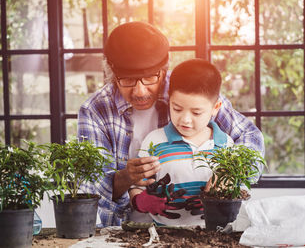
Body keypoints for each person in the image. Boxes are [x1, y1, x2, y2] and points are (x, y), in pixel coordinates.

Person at [77, 21, 265, 227]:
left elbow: (250, 137)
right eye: (127, 80)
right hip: (122, 228)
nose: (140, 92)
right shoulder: (96, 110)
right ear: (111, 74)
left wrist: (228, 175)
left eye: (149, 77)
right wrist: (124, 178)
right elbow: (89, 189)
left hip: (200, 228)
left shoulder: (190, 90)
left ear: (164, 69)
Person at [132, 59, 234, 226]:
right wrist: (141, 201)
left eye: (196, 112)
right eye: (177, 109)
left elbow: (239, 192)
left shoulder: (226, 145)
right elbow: (137, 187)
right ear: (169, 101)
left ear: (216, 107)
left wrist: (220, 197)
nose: (185, 120)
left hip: (214, 235)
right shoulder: (154, 141)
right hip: (164, 235)